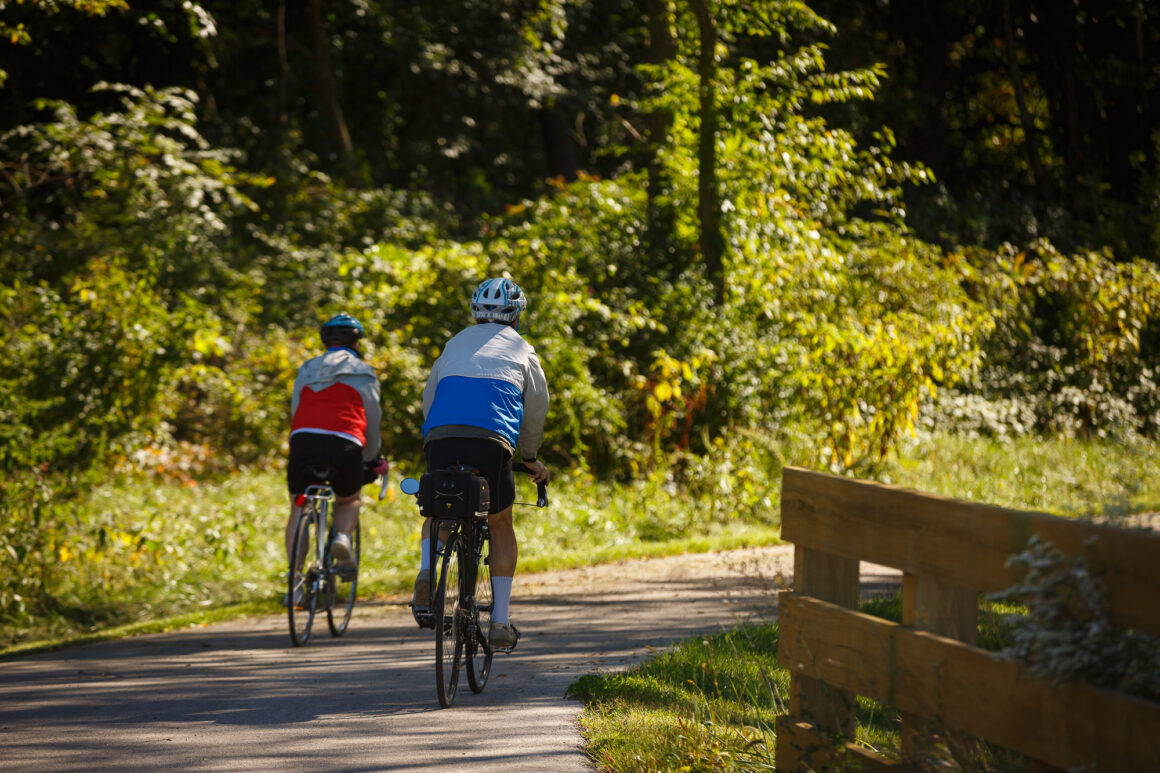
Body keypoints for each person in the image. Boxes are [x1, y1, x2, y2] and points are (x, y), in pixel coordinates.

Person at [415, 277, 550, 647]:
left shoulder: (454, 344)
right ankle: (502, 621)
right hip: (492, 444)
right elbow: (535, 411)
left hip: (442, 438)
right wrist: (530, 457)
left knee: (439, 512)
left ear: (475, 313)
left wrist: (433, 439)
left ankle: (428, 571)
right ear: (517, 315)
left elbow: (431, 397)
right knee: (500, 522)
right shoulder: (524, 350)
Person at [285, 313, 387, 606]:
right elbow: (372, 419)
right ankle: (342, 537)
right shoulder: (363, 372)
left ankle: (294, 581)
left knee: (298, 507)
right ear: (357, 341)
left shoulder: (306, 369)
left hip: (303, 440)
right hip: (345, 443)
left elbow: (296, 409)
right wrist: (371, 458)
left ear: (324, 340)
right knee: (348, 499)